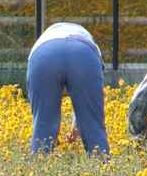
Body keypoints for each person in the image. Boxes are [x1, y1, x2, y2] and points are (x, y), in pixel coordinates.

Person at [27, 23, 110, 156]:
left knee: (42, 129)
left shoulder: (44, 39)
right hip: (84, 52)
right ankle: (104, 172)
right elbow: (87, 98)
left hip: (44, 53)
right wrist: (77, 125)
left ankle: (36, 173)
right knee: (94, 128)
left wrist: (52, 132)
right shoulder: (90, 41)